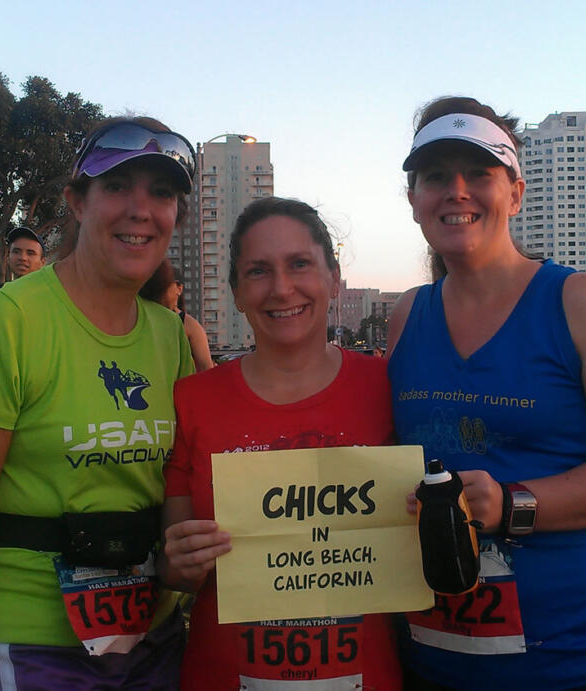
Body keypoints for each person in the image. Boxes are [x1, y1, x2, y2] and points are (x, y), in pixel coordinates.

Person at [388, 96, 586, 690]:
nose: (456, 191)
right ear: (414, 200)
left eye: (479, 174)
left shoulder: (583, 301)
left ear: (515, 193)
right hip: (434, 658)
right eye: (436, 176)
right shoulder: (405, 316)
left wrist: (516, 504)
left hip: (577, 659)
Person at [0, 116, 197, 690]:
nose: (140, 209)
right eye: (117, 186)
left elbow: (182, 491)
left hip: (156, 641)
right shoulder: (9, 320)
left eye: (161, 193)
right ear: (76, 201)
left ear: (177, 216)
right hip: (32, 643)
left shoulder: (169, 338)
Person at [160, 197, 403, 690]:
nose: (281, 288)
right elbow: (174, 568)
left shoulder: (391, 388)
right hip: (224, 674)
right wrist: (180, 562)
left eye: (299, 264)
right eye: (258, 271)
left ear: (334, 278)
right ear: (235, 291)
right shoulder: (192, 399)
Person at [139, 259, 214, 372]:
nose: (159, 290)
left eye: (164, 285)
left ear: (179, 288)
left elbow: (206, 369)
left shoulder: (189, 324)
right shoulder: (141, 318)